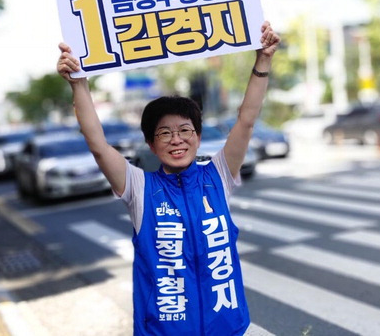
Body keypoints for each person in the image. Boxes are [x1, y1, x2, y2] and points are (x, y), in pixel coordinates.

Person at [57, 21, 280, 336]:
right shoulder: (139, 187)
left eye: (185, 130)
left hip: (226, 327)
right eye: (164, 133)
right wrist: (79, 83)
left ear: (199, 137)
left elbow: (246, 120)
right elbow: (97, 145)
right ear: (151, 144)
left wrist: (264, 60)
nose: (177, 140)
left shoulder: (218, 175)